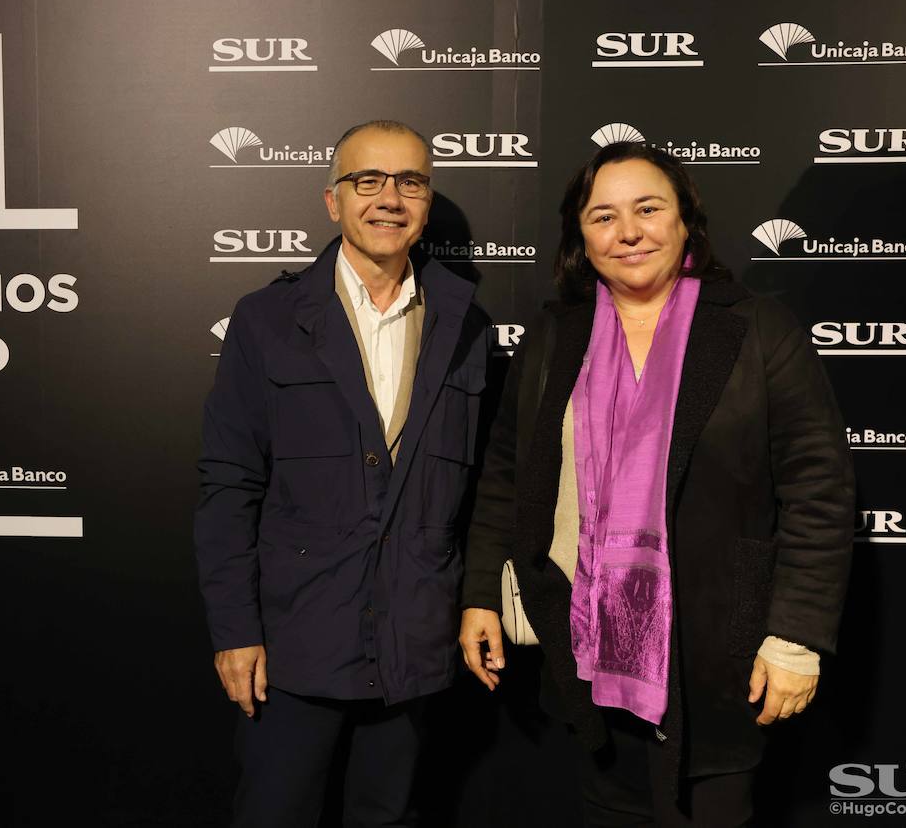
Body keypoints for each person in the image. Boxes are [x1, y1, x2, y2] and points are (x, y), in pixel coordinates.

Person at [459, 142, 854, 826]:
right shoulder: (556, 336)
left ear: (684, 222)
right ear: (581, 236)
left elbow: (818, 490)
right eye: (604, 216)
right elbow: (505, 476)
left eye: (648, 209)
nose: (629, 232)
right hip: (583, 657)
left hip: (718, 660)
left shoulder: (757, 328)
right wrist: (480, 595)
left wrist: (795, 637)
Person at [195, 120, 491, 827]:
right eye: (368, 180)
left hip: (412, 642)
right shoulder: (267, 319)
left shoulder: (467, 325)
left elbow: (480, 488)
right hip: (296, 643)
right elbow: (229, 485)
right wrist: (235, 629)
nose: (389, 198)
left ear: (427, 200)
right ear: (334, 200)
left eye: (410, 181)